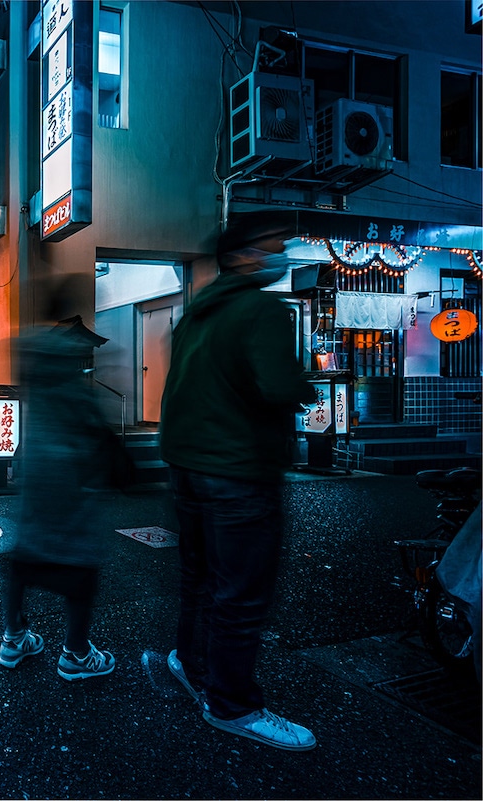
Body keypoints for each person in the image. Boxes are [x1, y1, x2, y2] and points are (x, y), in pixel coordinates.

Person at [159, 211, 318, 751]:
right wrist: (305, 387)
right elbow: (278, 384)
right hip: (238, 470)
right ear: (244, 255)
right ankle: (233, 705)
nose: (280, 254)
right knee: (242, 594)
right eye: (273, 245)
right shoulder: (261, 310)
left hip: (187, 467)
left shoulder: (195, 314)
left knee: (199, 579)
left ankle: (191, 663)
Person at [0, 279, 116, 683]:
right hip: (70, 472)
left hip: (35, 468)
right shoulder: (68, 355)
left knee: (24, 557)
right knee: (80, 565)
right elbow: (86, 414)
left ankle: (13, 638)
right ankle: (77, 653)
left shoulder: (27, 347)